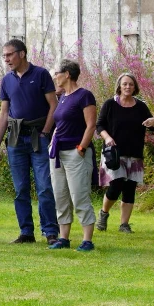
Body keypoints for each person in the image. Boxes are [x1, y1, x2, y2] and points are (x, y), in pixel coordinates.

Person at [0, 38, 59, 244]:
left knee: (44, 187)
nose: (6, 59)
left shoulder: (41, 74)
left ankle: (50, 231)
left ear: (22, 54)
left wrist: (45, 131)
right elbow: (4, 113)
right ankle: (26, 232)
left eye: (9, 55)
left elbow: (54, 105)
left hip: (38, 136)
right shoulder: (6, 80)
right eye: (4, 56)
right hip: (15, 138)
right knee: (20, 188)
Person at [44, 58, 99, 251]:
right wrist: (52, 144)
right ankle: (63, 238)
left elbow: (91, 125)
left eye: (57, 73)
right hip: (58, 154)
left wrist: (81, 149)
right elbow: (60, 124)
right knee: (60, 197)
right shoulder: (63, 97)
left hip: (76, 154)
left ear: (67, 74)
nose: (55, 77)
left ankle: (87, 241)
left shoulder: (84, 96)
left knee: (79, 196)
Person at [97, 72, 154, 232]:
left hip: (135, 153)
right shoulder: (110, 104)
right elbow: (99, 125)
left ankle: (124, 224)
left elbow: (153, 126)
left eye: (131, 84)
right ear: (119, 86)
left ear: (135, 87)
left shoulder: (141, 106)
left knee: (130, 189)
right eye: (125, 84)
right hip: (115, 153)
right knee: (116, 186)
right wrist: (107, 137)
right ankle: (104, 213)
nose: (128, 87)